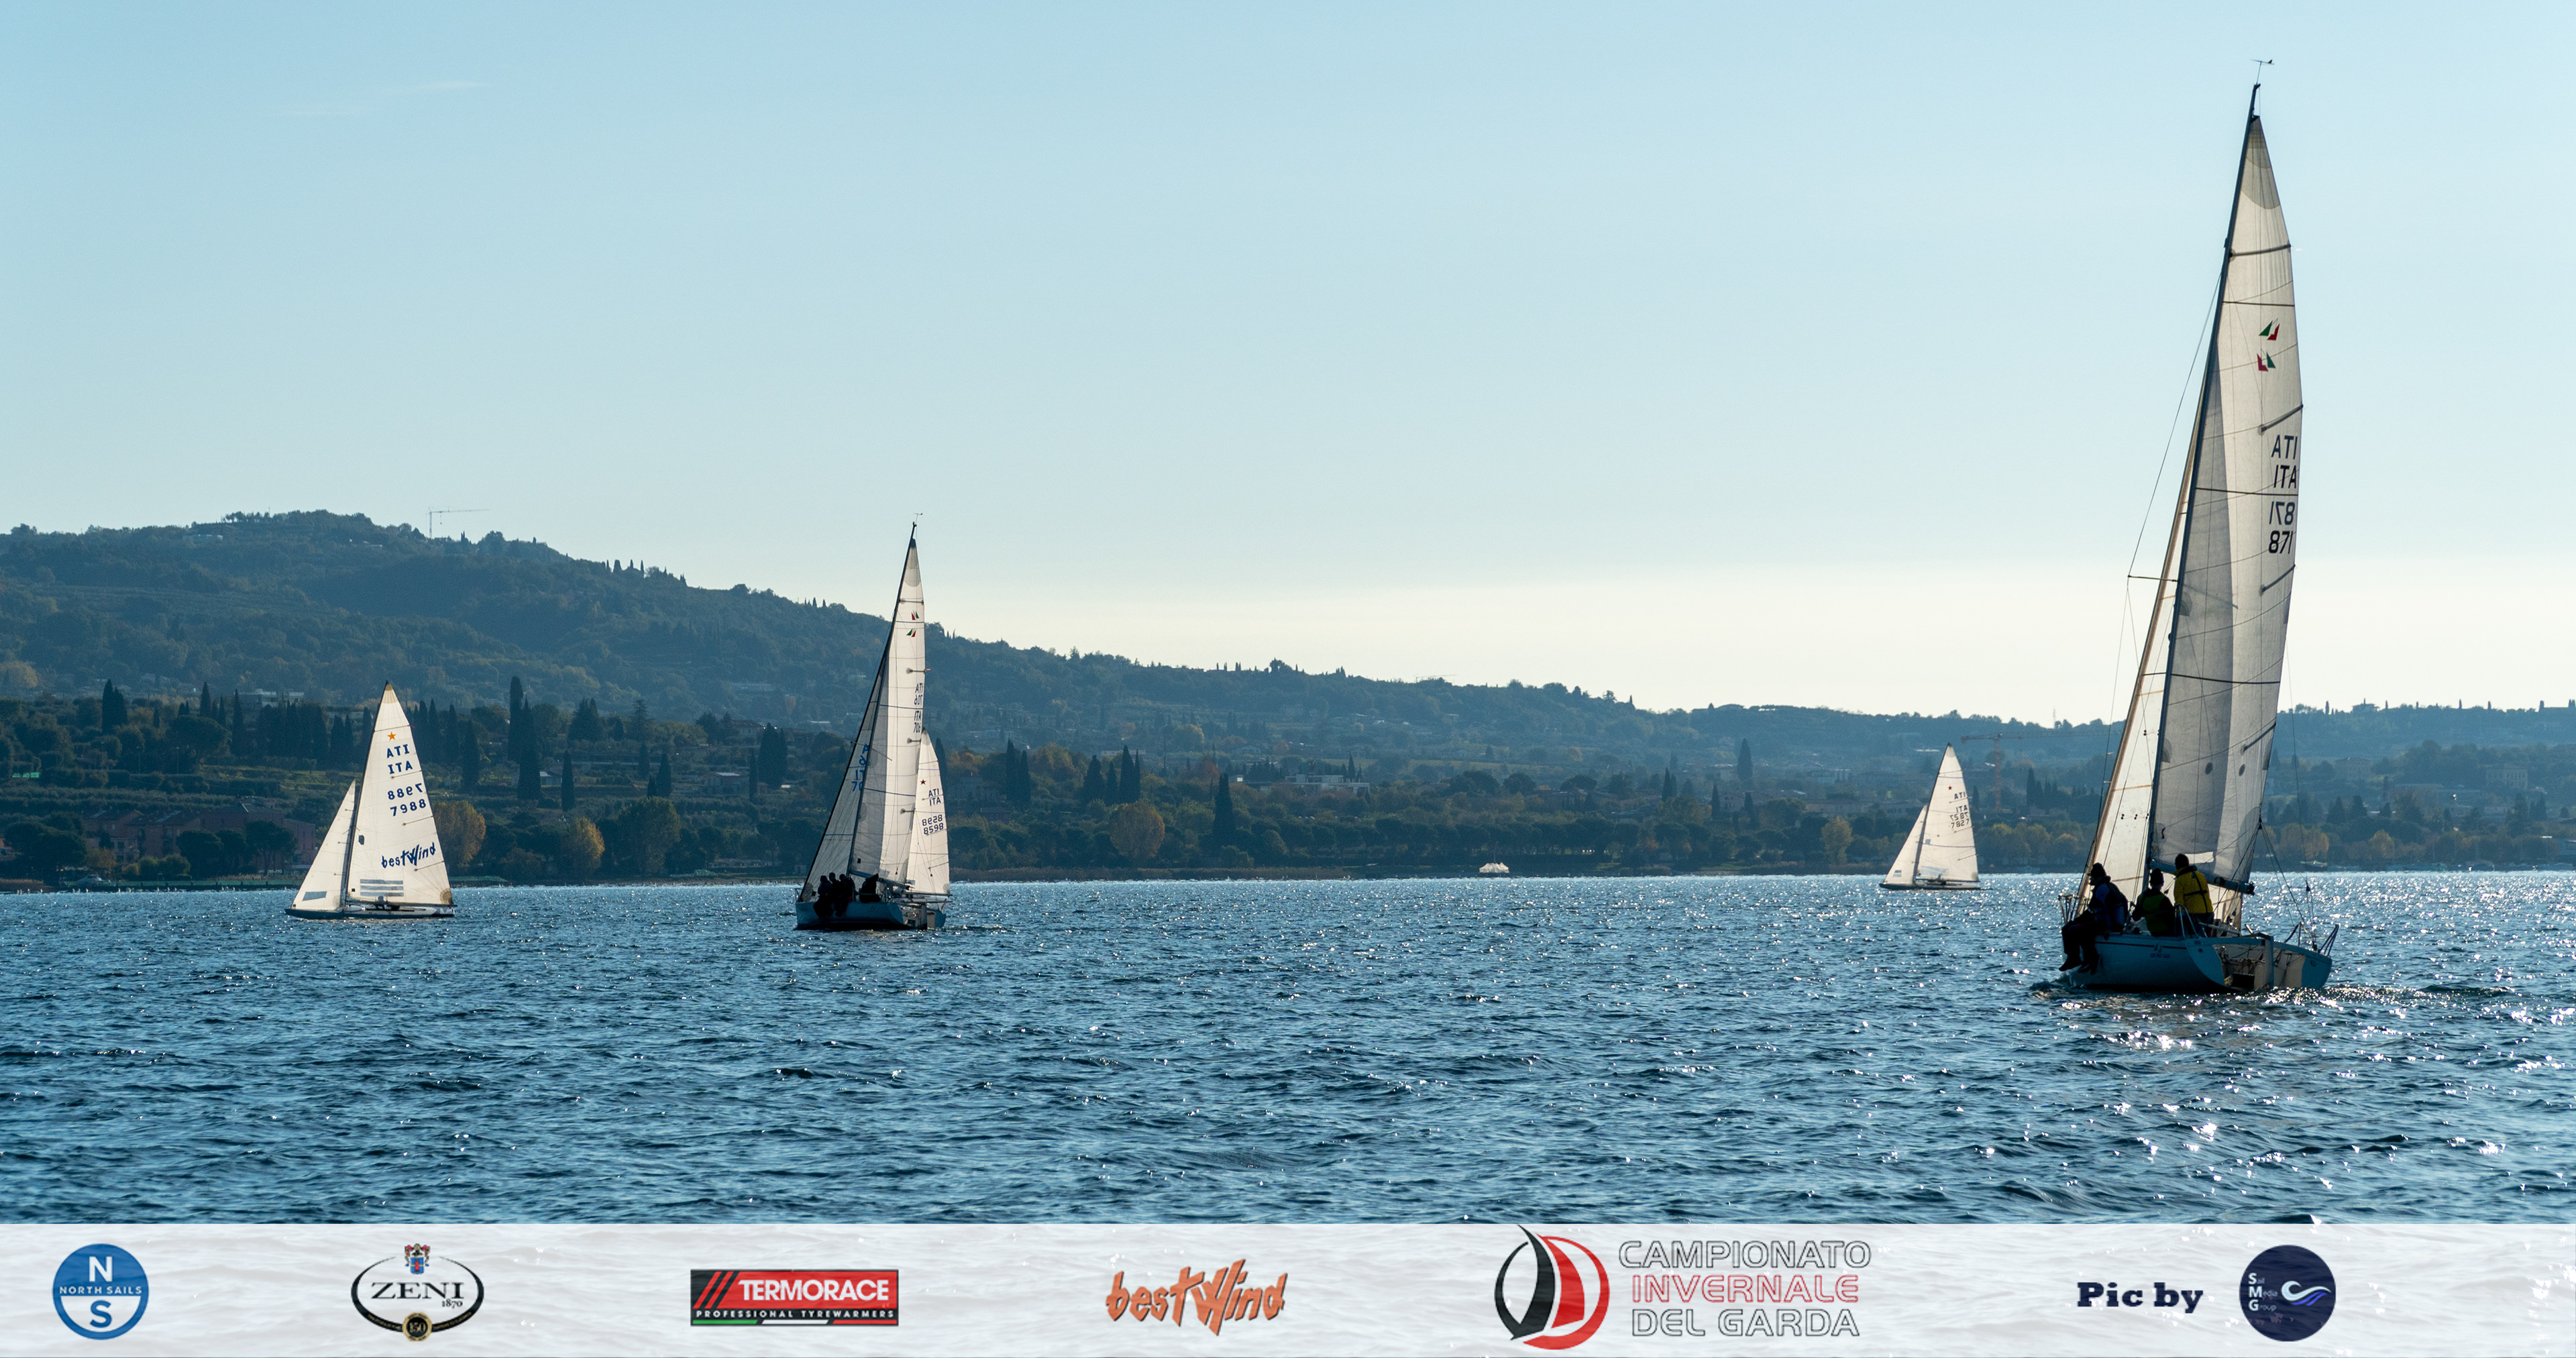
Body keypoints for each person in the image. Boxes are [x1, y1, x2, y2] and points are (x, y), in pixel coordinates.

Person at [2061, 863, 2125, 970]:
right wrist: (2076, 921)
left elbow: (2109, 909)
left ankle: (2090, 958)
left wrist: (2109, 928)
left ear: (2097, 878)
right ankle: (2073, 958)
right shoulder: (2108, 887)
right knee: (2068, 928)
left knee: (2078, 930)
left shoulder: (2102, 890)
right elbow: (2092, 910)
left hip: (2109, 924)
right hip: (2106, 921)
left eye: (2092, 877)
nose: (2090, 879)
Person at [2171, 854, 2214, 933]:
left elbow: (2179, 902)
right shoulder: (2201, 876)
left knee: (2179, 926)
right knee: (2206, 935)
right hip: (2209, 913)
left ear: (2177, 866)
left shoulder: (2180, 880)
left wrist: (2178, 915)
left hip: (2194, 915)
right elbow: (2207, 894)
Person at [2134, 868, 2178, 937]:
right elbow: (2172, 921)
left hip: (2152, 931)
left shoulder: (2141, 898)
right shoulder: (2163, 900)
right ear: (2162, 884)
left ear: (2150, 883)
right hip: (2166, 933)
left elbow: (2136, 917)